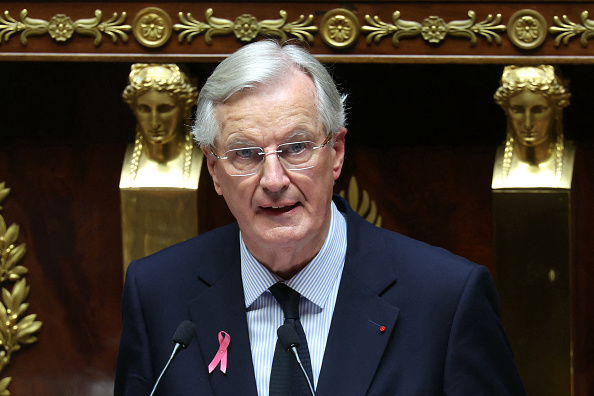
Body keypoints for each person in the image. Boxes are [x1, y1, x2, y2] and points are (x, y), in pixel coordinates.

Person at [115, 40, 526, 395]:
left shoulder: (446, 299)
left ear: (337, 153)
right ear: (213, 170)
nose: (273, 180)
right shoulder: (157, 296)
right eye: (245, 154)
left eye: (296, 148)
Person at [492, 65, 574, 189]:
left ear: (557, 110)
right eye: (517, 110)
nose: (528, 123)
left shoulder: (581, 164)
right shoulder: (484, 163)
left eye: (538, 110)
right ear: (507, 110)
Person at [121, 63, 200, 188]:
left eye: (164, 109)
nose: (154, 123)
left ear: (185, 108)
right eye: (145, 109)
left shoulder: (201, 156)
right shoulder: (125, 160)